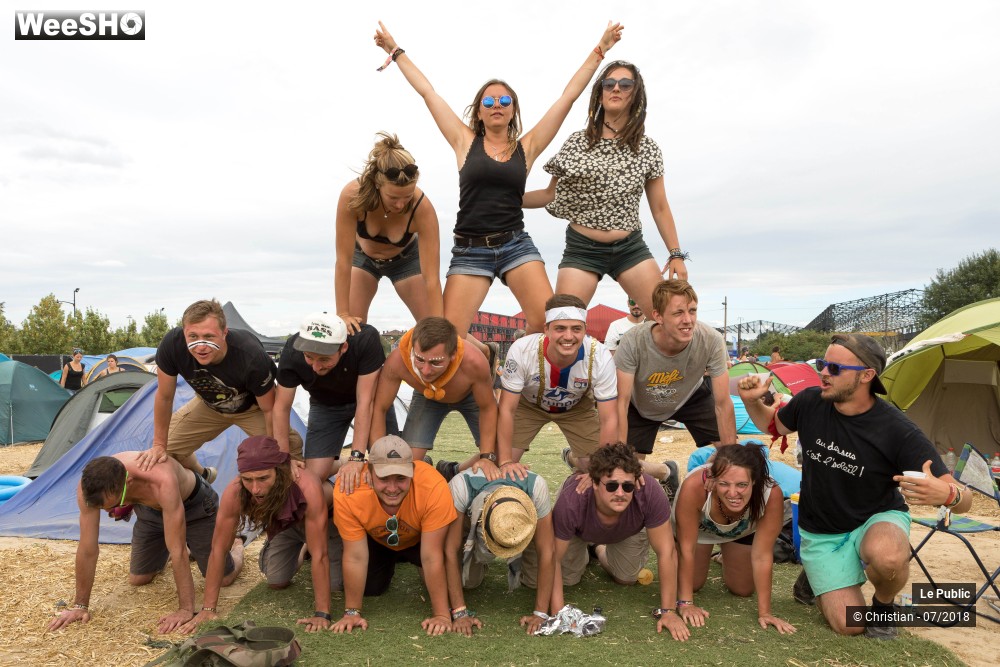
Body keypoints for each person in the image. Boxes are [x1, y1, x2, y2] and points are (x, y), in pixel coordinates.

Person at [372, 21, 623, 338]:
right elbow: (428, 92)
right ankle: (486, 352)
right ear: (479, 111)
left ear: (513, 109)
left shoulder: (527, 148)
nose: (496, 106)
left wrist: (600, 49)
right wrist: (395, 51)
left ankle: (520, 363)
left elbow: (567, 98)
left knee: (548, 323)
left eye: (504, 101)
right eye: (488, 102)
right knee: (451, 337)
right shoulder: (464, 142)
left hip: (515, 244)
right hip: (470, 250)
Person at [738, 334, 973, 638]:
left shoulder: (896, 428)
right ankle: (816, 574)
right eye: (823, 364)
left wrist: (950, 495)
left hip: (875, 520)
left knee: (888, 558)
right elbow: (773, 425)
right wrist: (750, 401)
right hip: (821, 531)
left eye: (834, 368)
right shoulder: (810, 401)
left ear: (866, 376)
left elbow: (964, 499)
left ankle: (884, 605)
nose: (822, 373)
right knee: (850, 625)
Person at [523, 60, 687, 318]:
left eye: (625, 84)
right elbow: (548, 194)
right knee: (563, 321)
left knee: (668, 318)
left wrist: (676, 254)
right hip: (582, 250)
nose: (616, 89)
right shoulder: (578, 142)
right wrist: (506, 198)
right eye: (608, 84)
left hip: (630, 249)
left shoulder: (648, 148)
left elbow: (660, 207)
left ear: (636, 93)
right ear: (599, 93)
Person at [46, 452, 244, 634]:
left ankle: (236, 545)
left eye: (114, 506)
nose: (109, 513)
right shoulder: (87, 488)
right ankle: (188, 544)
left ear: (128, 482)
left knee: (223, 578)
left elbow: (177, 551)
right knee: (138, 578)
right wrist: (80, 606)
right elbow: (88, 548)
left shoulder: (160, 480)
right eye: (103, 508)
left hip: (195, 506)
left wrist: (185, 609)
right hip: (150, 510)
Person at [496, 294, 673, 488]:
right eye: (560, 328)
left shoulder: (599, 355)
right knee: (499, 466)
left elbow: (608, 417)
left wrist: (598, 470)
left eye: (576, 329)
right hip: (529, 406)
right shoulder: (522, 349)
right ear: (546, 329)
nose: (569, 336)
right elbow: (507, 409)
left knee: (604, 471)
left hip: (577, 408)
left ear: (585, 330)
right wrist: (505, 461)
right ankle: (574, 456)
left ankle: (664, 470)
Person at [527, 442, 689, 640]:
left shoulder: (650, 491)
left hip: (626, 531)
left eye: (627, 486)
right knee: (560, 579)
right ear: (595, 483)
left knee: (626, 578)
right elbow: (553, 559)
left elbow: (667, 552)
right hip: (577, 530)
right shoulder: (573, 499)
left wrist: (668, 612)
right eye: (611, 486)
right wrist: (560, 612)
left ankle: (596, 548)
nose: (620, 493)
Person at [179, 436, 338, 634]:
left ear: (279, 473)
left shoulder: (307, 486)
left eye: (263, 478)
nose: (255, 489)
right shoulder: (235, 491)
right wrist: (208, 609)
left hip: (321, 521)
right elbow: (218, 549)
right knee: (276, 580)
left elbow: (321, 555)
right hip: (283, 525)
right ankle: (304, 548)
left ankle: (310, 544)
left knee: (336, 583)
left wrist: (322, 613)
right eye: (248, 479)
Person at [136, 299, 302, 482]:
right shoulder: (172, 345)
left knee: (287, 458)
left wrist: (274, 456)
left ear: (224, 333)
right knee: (164, 453)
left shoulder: (249, 354)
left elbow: (270, 410)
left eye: (209, 337)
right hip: (209, 405)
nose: (200, 346)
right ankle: (203, 475)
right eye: (192, 337)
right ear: (184, 332)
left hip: (252, 409)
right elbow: (165, 397)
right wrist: (159, 445)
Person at [331, 436, 457, 636]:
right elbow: (355, 556)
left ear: (413, 472)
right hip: (377, 539)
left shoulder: (433, 485)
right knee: (371, 588)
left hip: (420, 538)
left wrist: (441, 615)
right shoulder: (349, 491)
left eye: (400, 478)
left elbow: (432, 556)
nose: (392, 488)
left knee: (448, 586)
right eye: (383, 478)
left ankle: (407, 559)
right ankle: (394, 559)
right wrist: (351, 612)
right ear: (369, 473)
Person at [673, 444, 795, 634]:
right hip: (700, 532)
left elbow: (762, 556)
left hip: (740, 532)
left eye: (742, 485)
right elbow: (686, 549)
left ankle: (723, 556)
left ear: (755, 481)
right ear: (713, 480)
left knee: (743, 589)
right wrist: (686, 603)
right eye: (724, 484)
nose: (732, 493)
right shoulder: (695, 487)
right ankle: (717, 555)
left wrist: (765, 613)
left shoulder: (771, 494)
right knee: (693, 585)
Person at [335, 133, 442, 336]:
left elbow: (432, 278)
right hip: (362, 259)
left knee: (435, 328)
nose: (400, 204)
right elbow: (343, 261)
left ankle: (484, 349)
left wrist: (440, 329)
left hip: (406, 259)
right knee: (351, 330)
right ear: (377, 184)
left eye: (407, 197)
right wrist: (342, 313)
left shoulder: (423, 208)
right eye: (393, 197)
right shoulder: (352, 195)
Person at [369, 316, 500, 483]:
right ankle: (424, 463)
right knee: (406, 466)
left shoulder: (474, 361)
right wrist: (376, 458)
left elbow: (488, 408)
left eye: (435, 362)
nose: (426, 370)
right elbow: (379, 408)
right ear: (412, 350)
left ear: (453, 355)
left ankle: (452, 471)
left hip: (470, 396)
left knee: (499, 457)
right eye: (420, 360)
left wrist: (487, 457)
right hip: (427, 395)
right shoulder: (397, 360)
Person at [615, 280, 737, 458]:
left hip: (690, 396)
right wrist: (619, 455)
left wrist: (730, 460)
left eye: (692, 311)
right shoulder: (633, 341)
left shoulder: (712, 340)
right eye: (678, 313)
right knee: (630, 466)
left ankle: (710, 469)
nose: (688, 320)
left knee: (728, 449)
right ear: (658, 316)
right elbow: (621, 402)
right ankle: (665, 472)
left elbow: (723, 404)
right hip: (640, 404)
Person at [274, 312, 396, 486]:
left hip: (369, 402)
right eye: (309, 357)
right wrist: (283, 458)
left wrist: (357, 457)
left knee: (387, 467)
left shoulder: (365, 340)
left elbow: (365, 401)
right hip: (326, 405)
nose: (316, 367)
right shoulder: (292, 351)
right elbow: (281, 408)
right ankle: (343, 465)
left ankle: (367, 462)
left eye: (324, 359)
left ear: (343, 347)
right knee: (312, 478)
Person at [444, 468, 555, 635]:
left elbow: (547, 550)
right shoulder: (461, 486)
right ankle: (448, 468)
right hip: (466, 523)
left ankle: (593, 549)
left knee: (535, 581)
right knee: (467, 582)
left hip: (527, 529)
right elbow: (449, 550)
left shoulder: (537, 486)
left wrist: (540, 613)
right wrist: (459, 613)